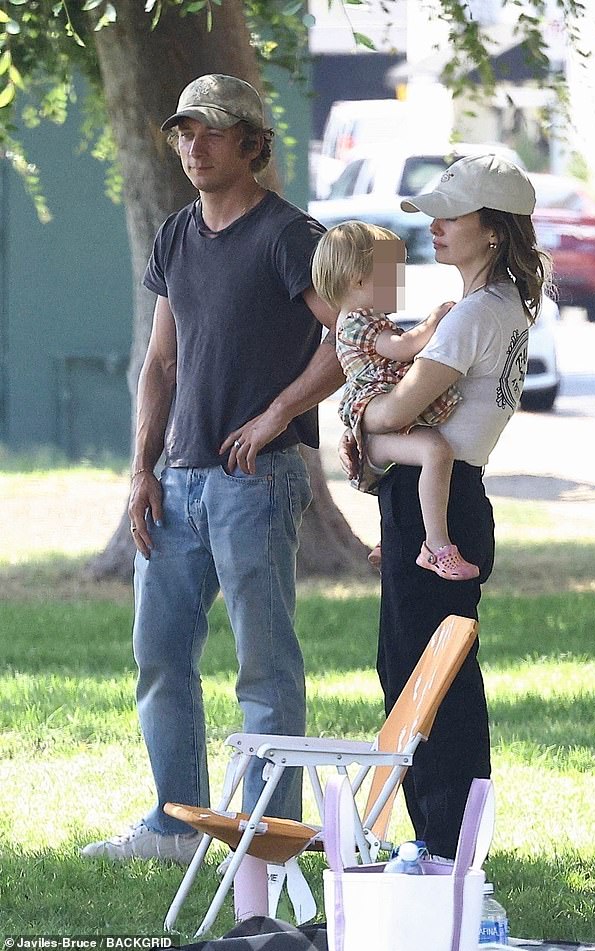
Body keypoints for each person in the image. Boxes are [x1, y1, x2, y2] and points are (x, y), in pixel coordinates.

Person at [81, 74, 341, 863]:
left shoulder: (293, 235)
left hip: (256, 483)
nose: (194, 147)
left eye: (213, 132)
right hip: (180, 481)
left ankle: (267, 839)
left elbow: (350, 339)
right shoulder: (175, 234)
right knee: (161, 657)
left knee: (264, 668)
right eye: (184, 132)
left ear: (253, 143)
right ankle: (174, 826)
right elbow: (159, 361)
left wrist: (275, 416)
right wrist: (141, 469)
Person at [340, 153, 552, 859]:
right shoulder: (508, 306)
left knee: (419, 676)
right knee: (436, 672)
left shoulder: (471, 315)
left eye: (450, 213)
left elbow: (395, 409)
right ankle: (447, 841)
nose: (434, 225)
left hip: (438, 497)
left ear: (492, 229)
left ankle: (439, 845)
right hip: (455, 497)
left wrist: (353, 416)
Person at [311, 220, 479, 580]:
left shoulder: (361, 319)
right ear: (357, 280)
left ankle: (396, 538)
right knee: (436, 453)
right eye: (392, 274)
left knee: (416, 467)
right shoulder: (359, 321)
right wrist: (435, 321)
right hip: (375, 411)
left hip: (378, 413)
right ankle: (437, 546)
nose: (400, 283)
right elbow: (401, 348)